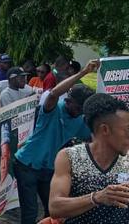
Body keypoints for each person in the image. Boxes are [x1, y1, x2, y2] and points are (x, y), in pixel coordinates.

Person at [14, 59, 98, 224]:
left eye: (84, 109)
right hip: (26, 165)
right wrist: (83, 72)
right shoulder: (53, 109)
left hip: (49, 168)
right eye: (78, 108)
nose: (80, 112)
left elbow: (95, 139)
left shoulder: (81, 120)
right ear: (68, 101)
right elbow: (53, 93)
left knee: (53, 211)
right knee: (30, 212)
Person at [48, 93, 129, 223]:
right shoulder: (69, 157)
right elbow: (55, 207)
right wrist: (96, 197)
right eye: (127, 130)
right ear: (105, 130)